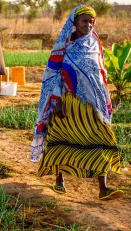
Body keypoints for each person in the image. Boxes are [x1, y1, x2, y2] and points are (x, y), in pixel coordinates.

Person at [30, 5, 123, 200]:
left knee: (101, 139)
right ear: (75, 22)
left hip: (93, 104)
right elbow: (53, 74)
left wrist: (106, 98)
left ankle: (103, 188)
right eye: (84, 21)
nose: (88, 25)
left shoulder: (96, 44)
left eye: (91, 21)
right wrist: (57, 100)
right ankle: (59, 180)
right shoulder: (65, 45)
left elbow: (101, 73)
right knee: (63, 138)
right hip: (69, 103)